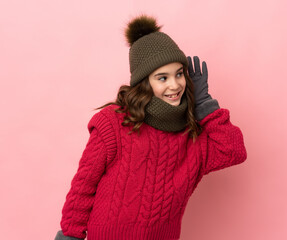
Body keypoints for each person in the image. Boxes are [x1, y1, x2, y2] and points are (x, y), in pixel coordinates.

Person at [54, 15, 247, 240]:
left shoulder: (191, 135)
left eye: (179, 74)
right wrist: (71, 235)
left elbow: (233, 151)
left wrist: (205, 105)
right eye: (162, 78)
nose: (175, 85)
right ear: (144, 82)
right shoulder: (112, 123)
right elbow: (83, 187)